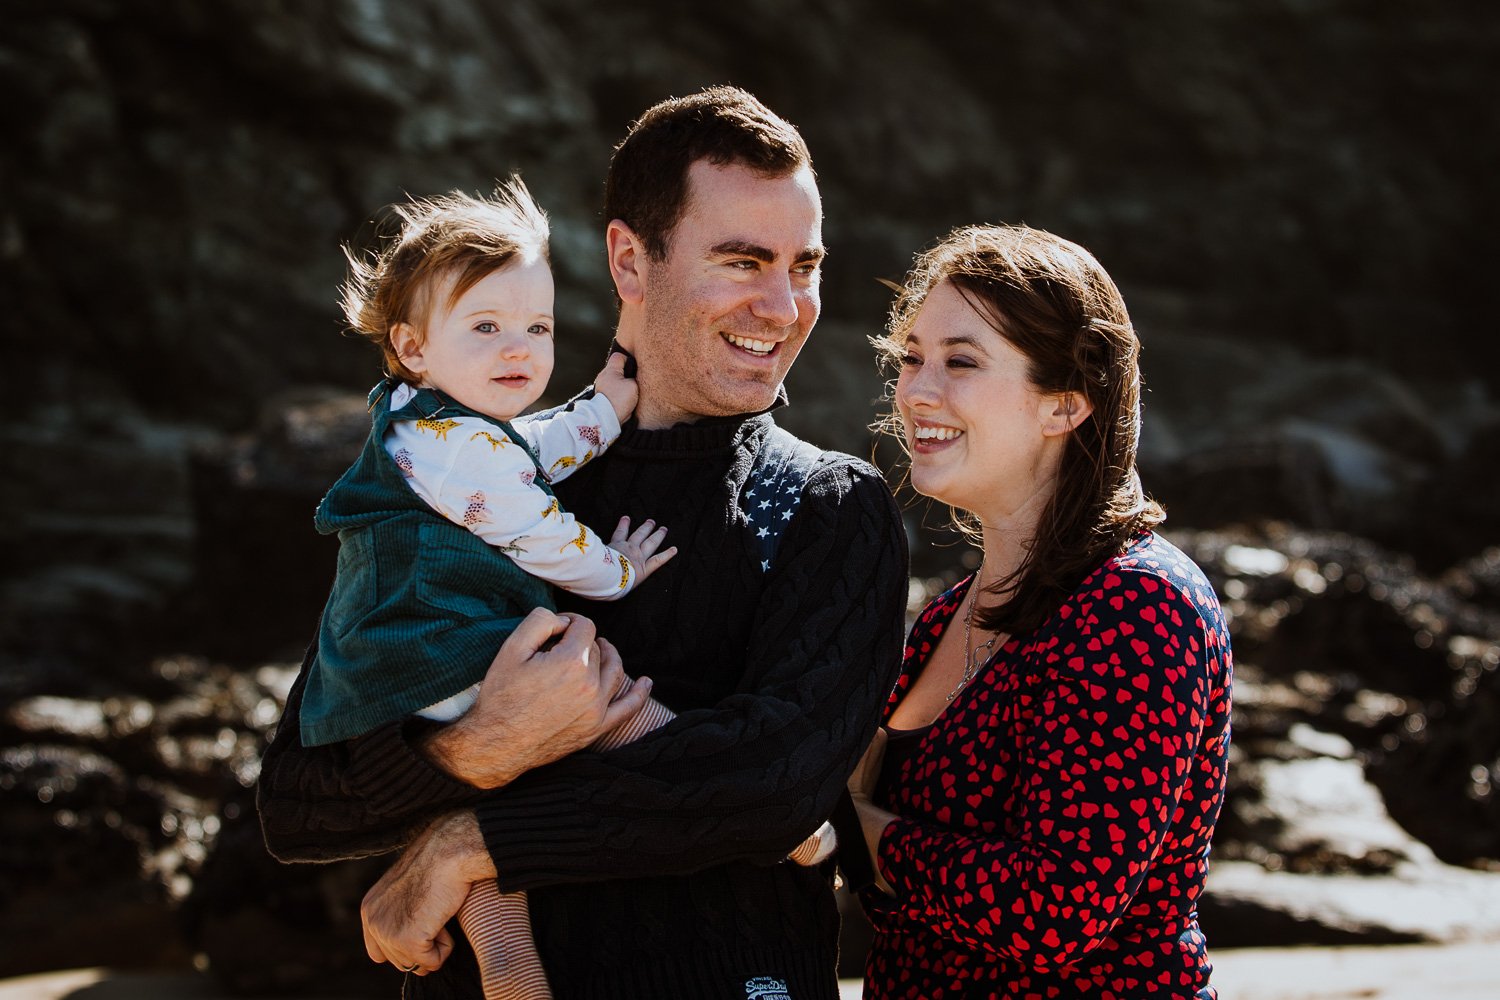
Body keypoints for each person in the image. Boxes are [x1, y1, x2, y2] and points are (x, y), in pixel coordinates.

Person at [256, 85, 909, 1000]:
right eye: (742, 260)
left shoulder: (832, 506)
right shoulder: (471, 476)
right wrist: (472, 749)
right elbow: (294, 799)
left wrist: (468, 842)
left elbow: (771, 787)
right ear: (629, 261)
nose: (783, 304)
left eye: (804, 264)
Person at [846, 224, 1233, 999]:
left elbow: (1054, 912)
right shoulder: (943, 618)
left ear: (1065, 404)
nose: (917, 389)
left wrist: (867, 833)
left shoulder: (1139, 606)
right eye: (912, 357)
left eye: (960, 361)